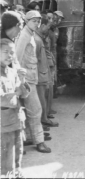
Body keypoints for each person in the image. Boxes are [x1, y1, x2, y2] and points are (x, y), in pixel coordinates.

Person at [16, 11, 51, 153]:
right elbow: (17, 57)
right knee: (36, 110)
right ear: (26, 21)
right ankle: (39, 141)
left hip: (30, 77)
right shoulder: (25, 35)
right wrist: (20, 79)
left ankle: (30, 137)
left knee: (30, 110)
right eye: (34, 21)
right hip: (26, 79)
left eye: (38, 21)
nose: (37, 23)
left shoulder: (29, 34)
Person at [1, 39, 30, 178]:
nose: (9, 55)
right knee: (6, 155)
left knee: (18, 150)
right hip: (4, 123)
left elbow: (24, 94)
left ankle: (17, 172)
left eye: (12, 52)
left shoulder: (12, 72)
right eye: (5, 52)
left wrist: (22, 80)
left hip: (17, 121)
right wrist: (15, 94)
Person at [34, 14, 58, 129]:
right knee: (40, 98)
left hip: (43, 71)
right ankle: (41, 122)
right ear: (42, 25)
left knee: (43, 96)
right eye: (47, 26)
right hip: (39, 73)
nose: (48, 28)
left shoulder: (40, 37)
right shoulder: (37, 39)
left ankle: (44, 119)